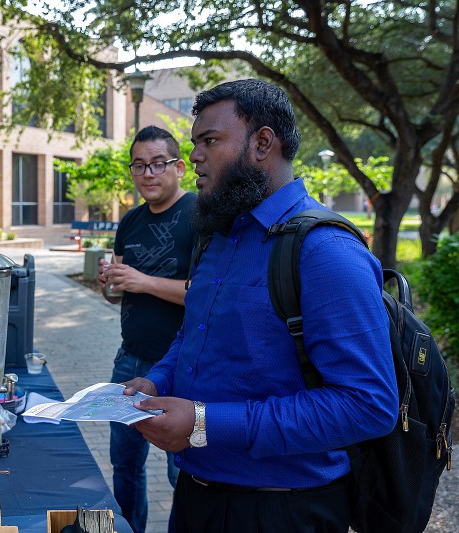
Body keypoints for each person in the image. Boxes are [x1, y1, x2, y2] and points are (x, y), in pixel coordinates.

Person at [127, 79, 398, 532]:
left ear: (263, 142)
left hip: (284, 510)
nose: (193, 156)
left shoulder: (325, 250)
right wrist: (157, 381)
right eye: (195, 143)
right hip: (196, 495)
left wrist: (205, 423)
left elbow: (367, 404)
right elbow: (194, 332)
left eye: (209, 140)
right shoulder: (217, 234)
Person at [96, 125, 197, 533]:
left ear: (180, 166)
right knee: (124, 464)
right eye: (139, 165)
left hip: (183, 367)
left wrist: (143, 281)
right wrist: (111, 283)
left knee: (182, 472)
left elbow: (210, 295)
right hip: (130, 360)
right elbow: (119, 293)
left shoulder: (201, 216)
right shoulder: (130, 222)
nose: (148, 174)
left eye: (158, 163)